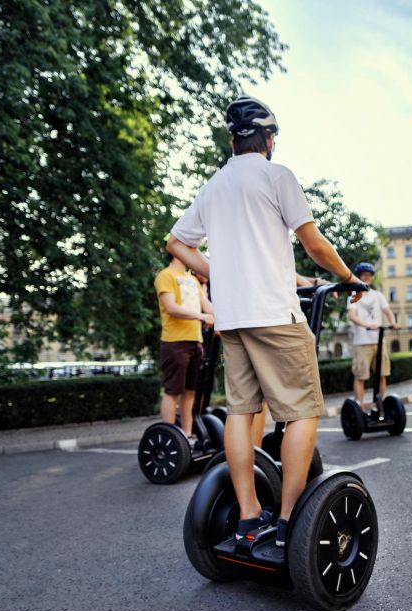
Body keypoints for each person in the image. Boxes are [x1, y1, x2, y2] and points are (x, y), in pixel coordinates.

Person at [165, 96, 363, 548]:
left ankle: (250, 517)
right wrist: (349, 278)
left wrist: (222, 273)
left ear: (232, 139)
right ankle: (291, 518)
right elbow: (313, 243)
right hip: (276, 314)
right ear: (269, 139)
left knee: (240, 411)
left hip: (233, 319)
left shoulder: (214, 186)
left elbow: (178, 243)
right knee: (302, 411)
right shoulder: (278, 176)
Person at [154, 255, 215, 446]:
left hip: (195, 341)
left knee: (190, 392)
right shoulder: (166, 275)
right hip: (174, 342)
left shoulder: (192, 280)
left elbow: (207, 306)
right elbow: (171, 308)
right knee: (173, 391)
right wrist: (202, 317)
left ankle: (187, 435)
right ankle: (169, 438)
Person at [347, 262, 399, 409]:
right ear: (358, 277)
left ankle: (379, 406)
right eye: (363, 275)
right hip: (361, 342)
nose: (366, 278)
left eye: (368, 275)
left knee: (382, 375)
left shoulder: (378, 295)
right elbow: (352, 316)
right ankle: (360, 408)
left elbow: (388, 311)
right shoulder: (353, 295)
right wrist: (367, 325)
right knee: (360, 377)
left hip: (379, 341)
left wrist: (393, 322)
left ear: (371, 278)